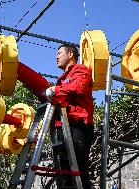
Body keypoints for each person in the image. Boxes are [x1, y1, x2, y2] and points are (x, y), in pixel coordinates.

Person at [45, 44, 94, 189]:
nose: (56, 56)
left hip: (78, 124)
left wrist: (55, 90)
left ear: (71, 54)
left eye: (59, 53)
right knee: (65, 171)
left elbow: (79, 87)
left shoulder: (80, 70)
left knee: (79, 170)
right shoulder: (62, 79)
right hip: (63, 126)